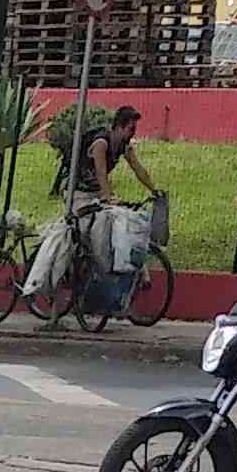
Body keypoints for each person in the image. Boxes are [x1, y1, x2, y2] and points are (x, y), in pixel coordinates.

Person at [71, 103, 154, 329]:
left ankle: (137, 273)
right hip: (79, 195)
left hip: (99, 194)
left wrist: (154, 189)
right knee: (91, 234)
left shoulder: (124, 147)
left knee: (124, 227)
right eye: (131, 129)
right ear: (119, 127)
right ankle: (84, 276)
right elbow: (101, 173)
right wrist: (107, 197)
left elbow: (138, 168)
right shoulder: (101, 144)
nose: (133, 134)